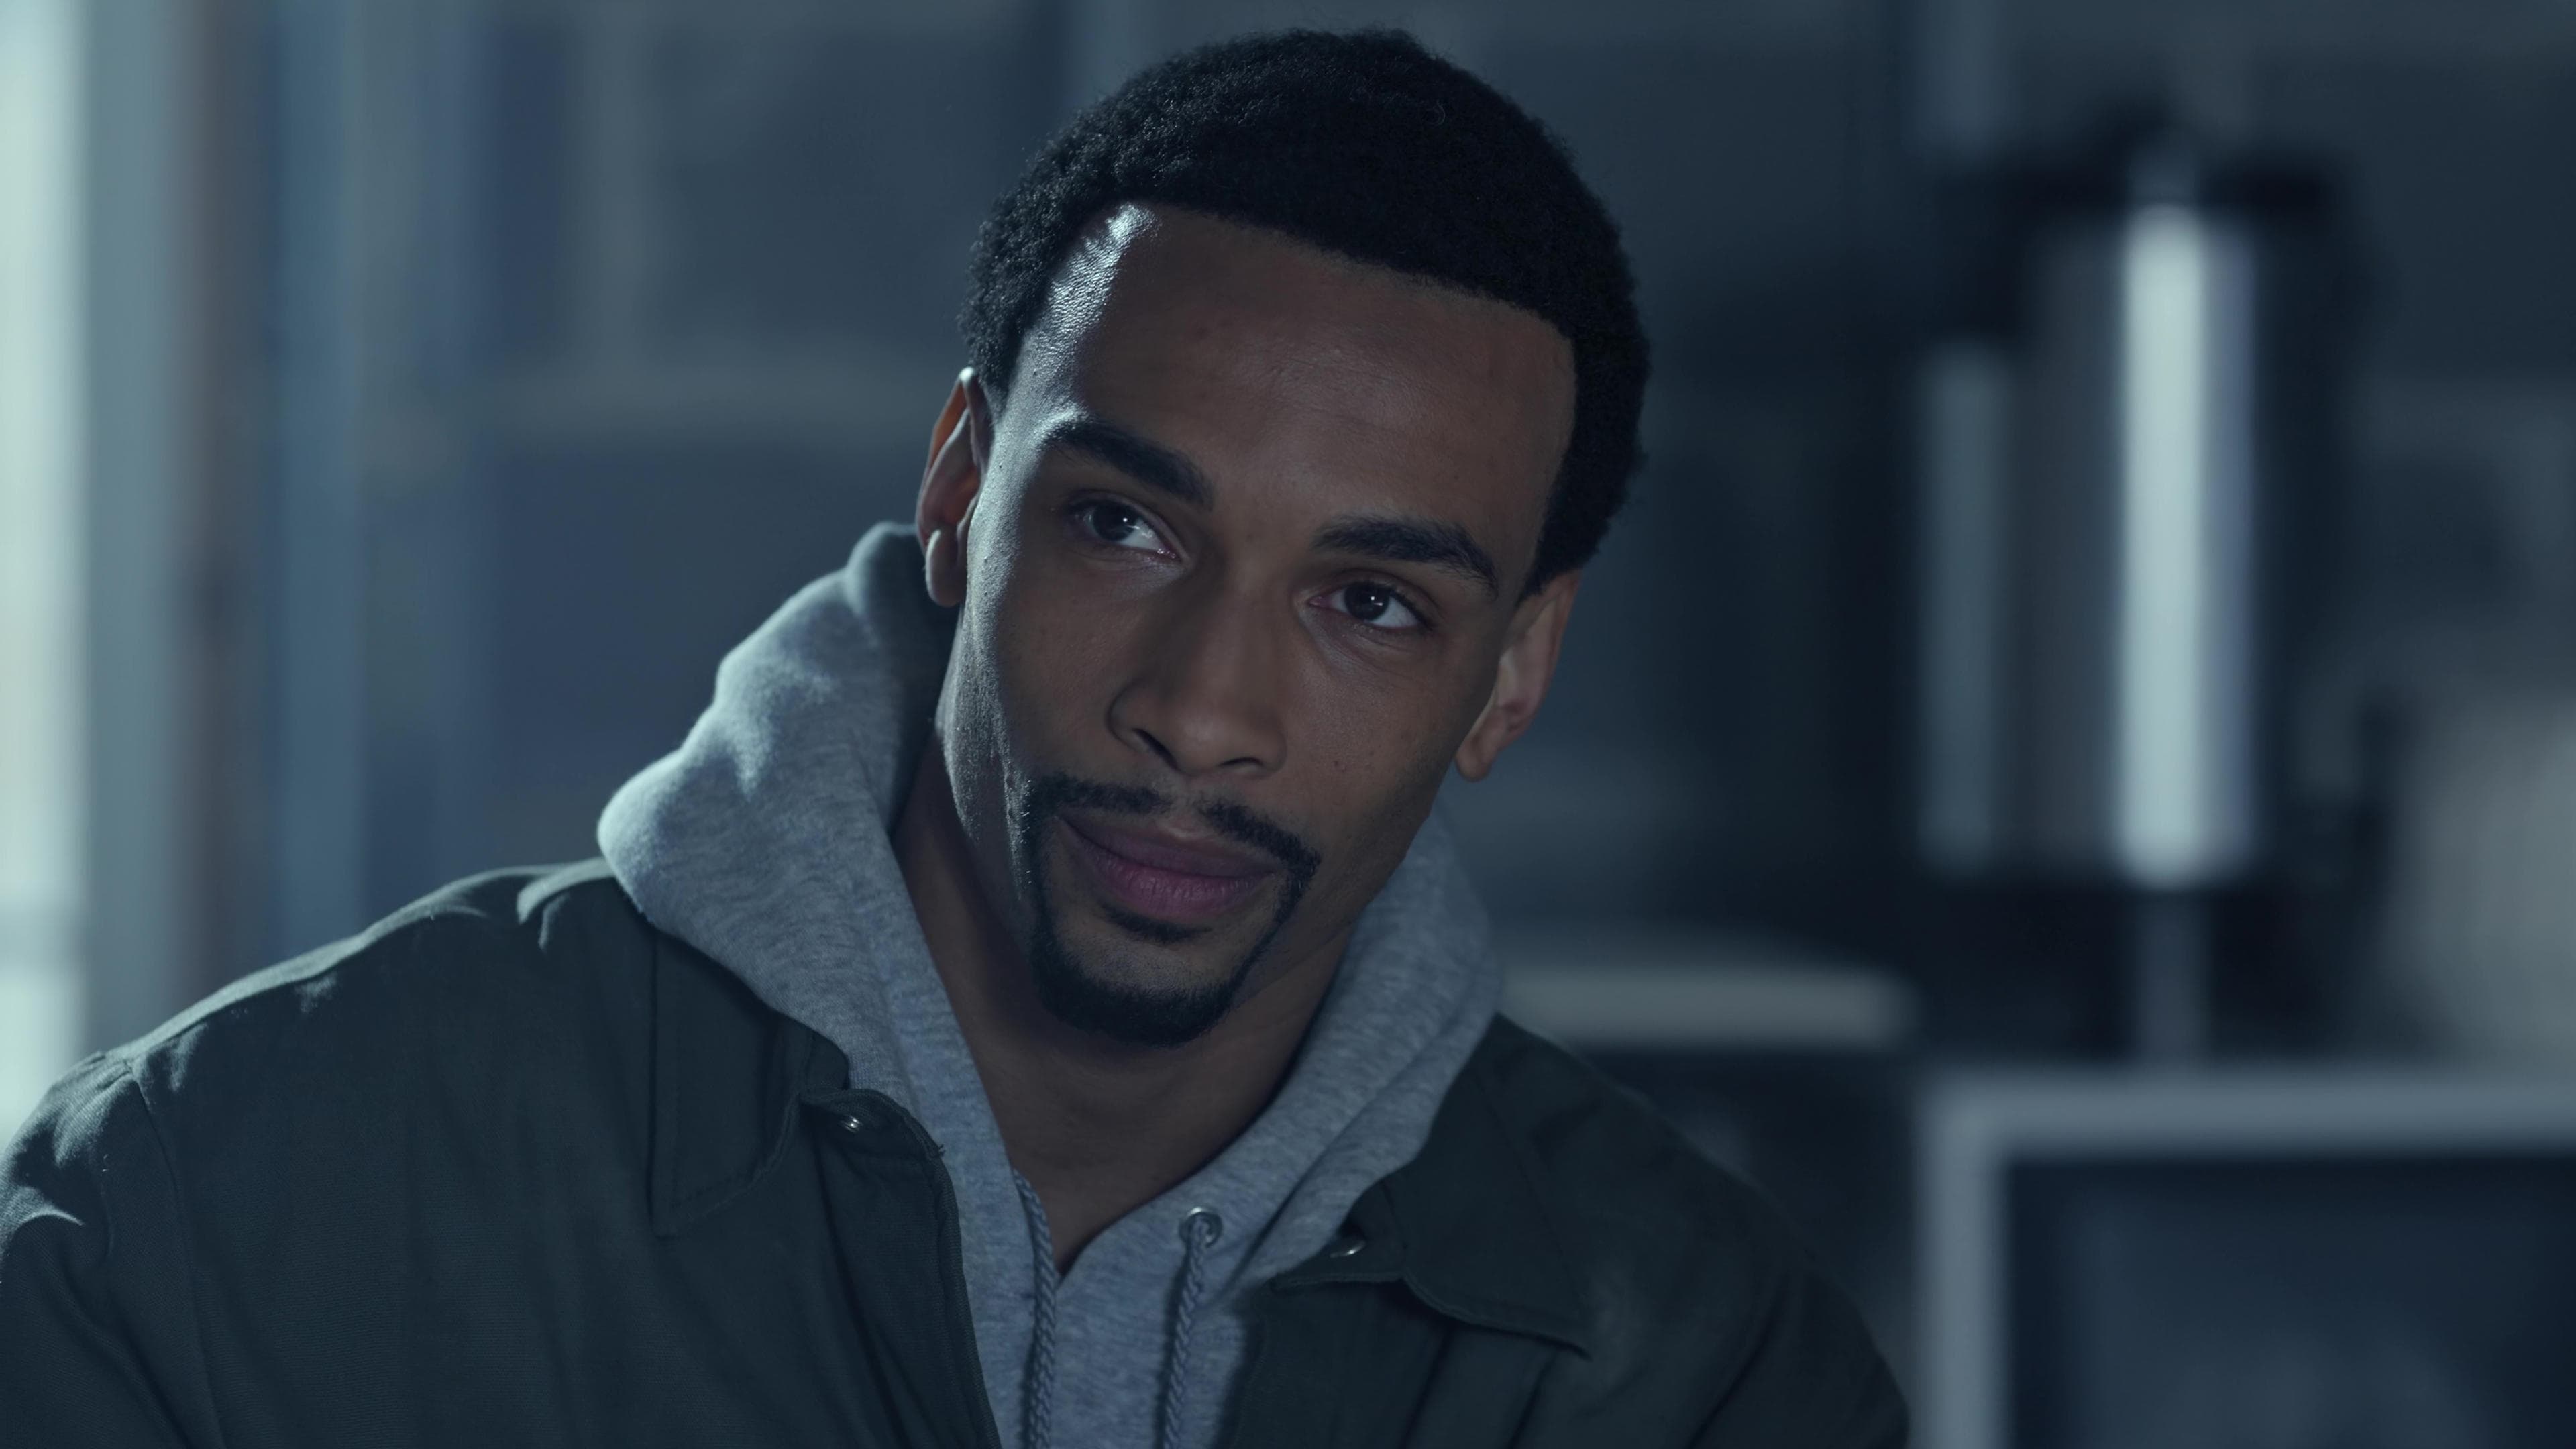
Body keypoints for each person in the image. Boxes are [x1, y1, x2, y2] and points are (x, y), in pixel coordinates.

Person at [0, 26, 1903, 1449]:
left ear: (1516, 671)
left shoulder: (1705, 1370)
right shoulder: (215, 1210)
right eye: (1126, 526)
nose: (1201, 712)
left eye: (1373, 603)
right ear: (961, 491)